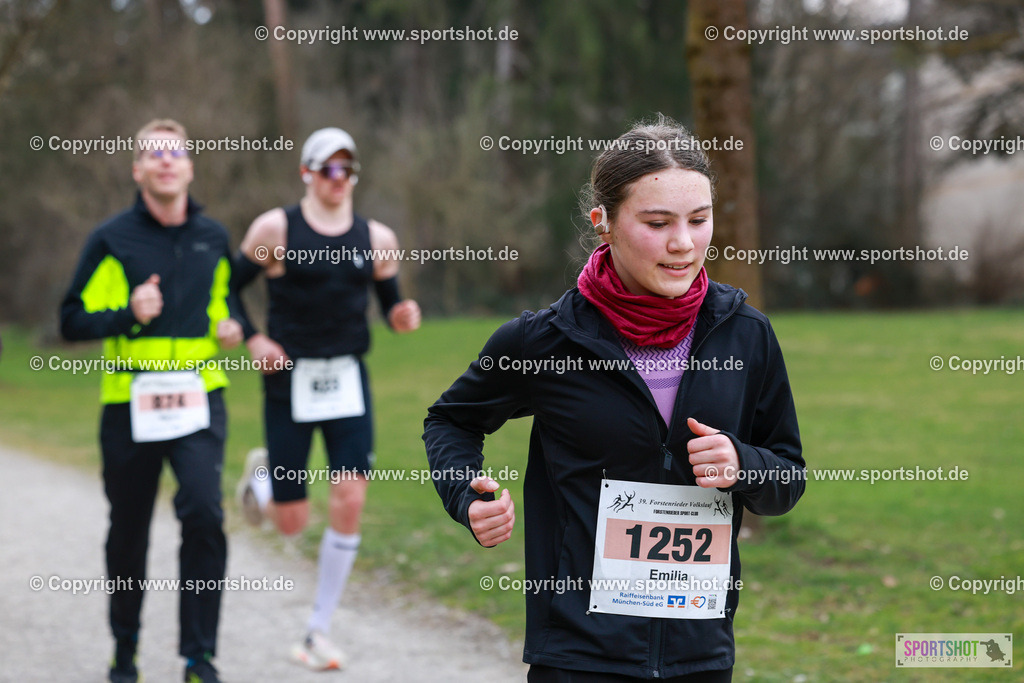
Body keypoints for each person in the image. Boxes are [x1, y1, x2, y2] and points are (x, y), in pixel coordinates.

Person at [423, 116, 805, 682]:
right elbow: (451, 421)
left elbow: (787, 478)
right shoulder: (543, 340)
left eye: (699, 220)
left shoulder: (746, 334)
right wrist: (465, 494)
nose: (683, 243)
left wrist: (742, 464)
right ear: (603, 222)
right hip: (578, 655)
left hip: (697, 655)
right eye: (657, 222)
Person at [61, 119, 250, 683]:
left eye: (176, 153)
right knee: (129, 529)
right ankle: (126, 651)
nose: (166, 161)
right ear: (138, 169)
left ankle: (199, 657)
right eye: (153, 154)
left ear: (191, 166)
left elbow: (229, 305)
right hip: (129, 405)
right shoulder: (112, 238)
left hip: (199, 398)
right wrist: (127, 314)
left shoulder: (214, 237)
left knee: (204, 512)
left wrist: (235, 327)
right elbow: (70, 319)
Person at [233, 127, 421, 670]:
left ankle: (317, 631)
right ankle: (262, 482)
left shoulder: (377, 238)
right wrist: (254, 337)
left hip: (346, 380)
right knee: (291, 522)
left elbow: (391, 302)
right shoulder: (276, 228)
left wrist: (400, 316)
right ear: (307, 174)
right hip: (287, 378)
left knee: (350, 497)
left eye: (347, 169)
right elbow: (229, 284)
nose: (339, 179)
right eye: (328, 169)